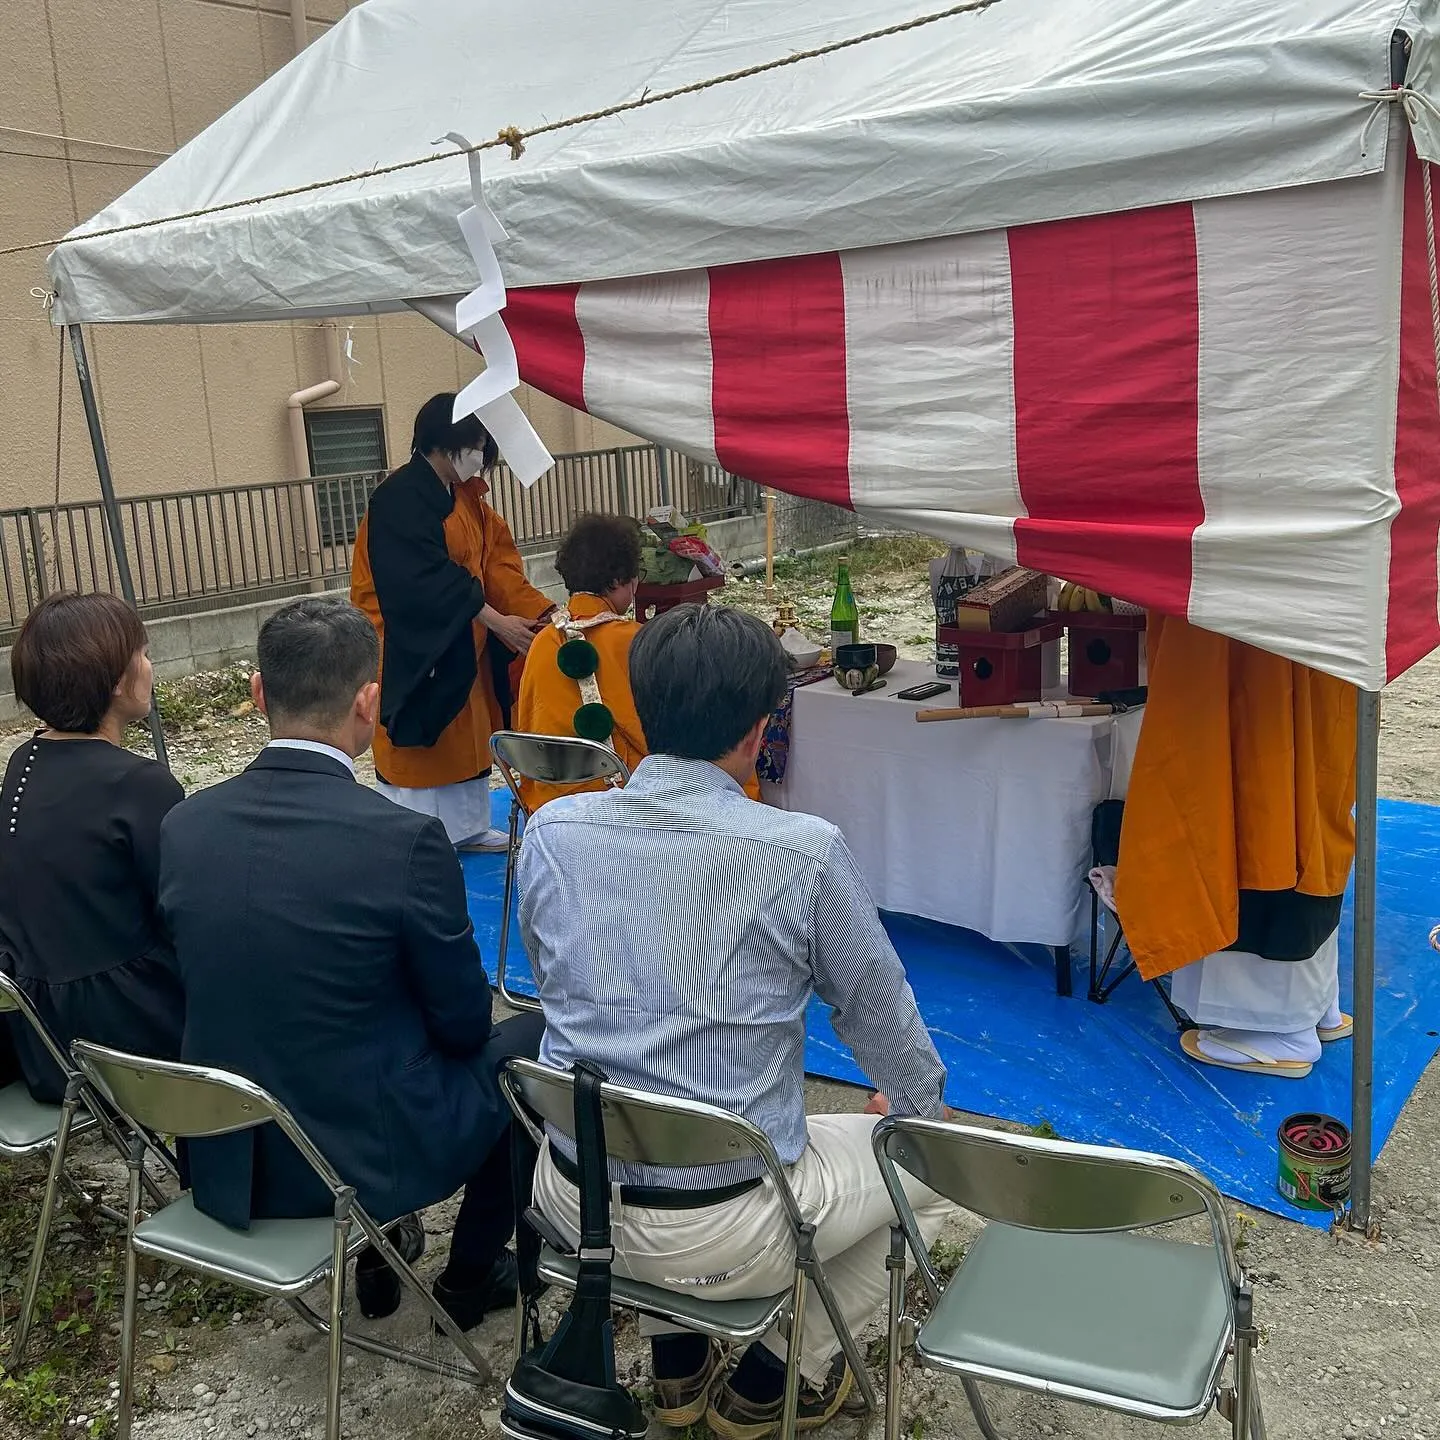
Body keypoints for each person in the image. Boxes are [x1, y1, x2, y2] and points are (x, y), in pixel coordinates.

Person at [518, 603, 951, 1439]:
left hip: (575, 1199)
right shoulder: (804, 850)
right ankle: (777, 1374)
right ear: (761, 729)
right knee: (929, 1164)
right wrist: (915, 1109)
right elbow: (878, 1010)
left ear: (643, 709)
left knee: (638, 1093)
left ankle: (678, 1372)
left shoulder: (552, 831)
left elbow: (554, 984)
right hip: (725, 1223)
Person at [158, 598, 544, 1328]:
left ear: (258, 693)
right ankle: (468, 1276)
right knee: (528, 1045)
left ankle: (387, 1245)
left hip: (230, 1153)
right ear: (369, 703)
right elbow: (464, 1025)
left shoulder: (183, 827)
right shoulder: (401, 841)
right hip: (359, 1153)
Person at [1114, 615, 1356, 1077]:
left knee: (1254, 806)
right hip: (1314, 619)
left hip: (1240, 629)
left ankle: (1273, 1031)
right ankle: (1313, 1003)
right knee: (1311, 794)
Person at [0, 592, 184, 1103]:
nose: (150, 665)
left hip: (36, 1034)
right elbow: (179, 913)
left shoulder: (24, 761)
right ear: (116, 681)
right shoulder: (141, 784)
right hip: (123, 1044)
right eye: (143, 654)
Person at [350, 394, 553, 851]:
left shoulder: (466, 498)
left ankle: (465, 829)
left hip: (464, 634)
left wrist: (538, 613)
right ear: (446, 442)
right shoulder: (398, 497)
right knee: (423, 734)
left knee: (468, 732)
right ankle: (414, 836)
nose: (480, 458)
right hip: (410, 639)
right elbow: (423, 578)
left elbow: (495, 565)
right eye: (476, 445)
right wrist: (496, 621)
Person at [514, 512, 763, 810]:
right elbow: (663, 730)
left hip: (547, 798)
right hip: (613, 798)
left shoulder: (543, 640)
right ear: (621, 580)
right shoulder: (634, 640)